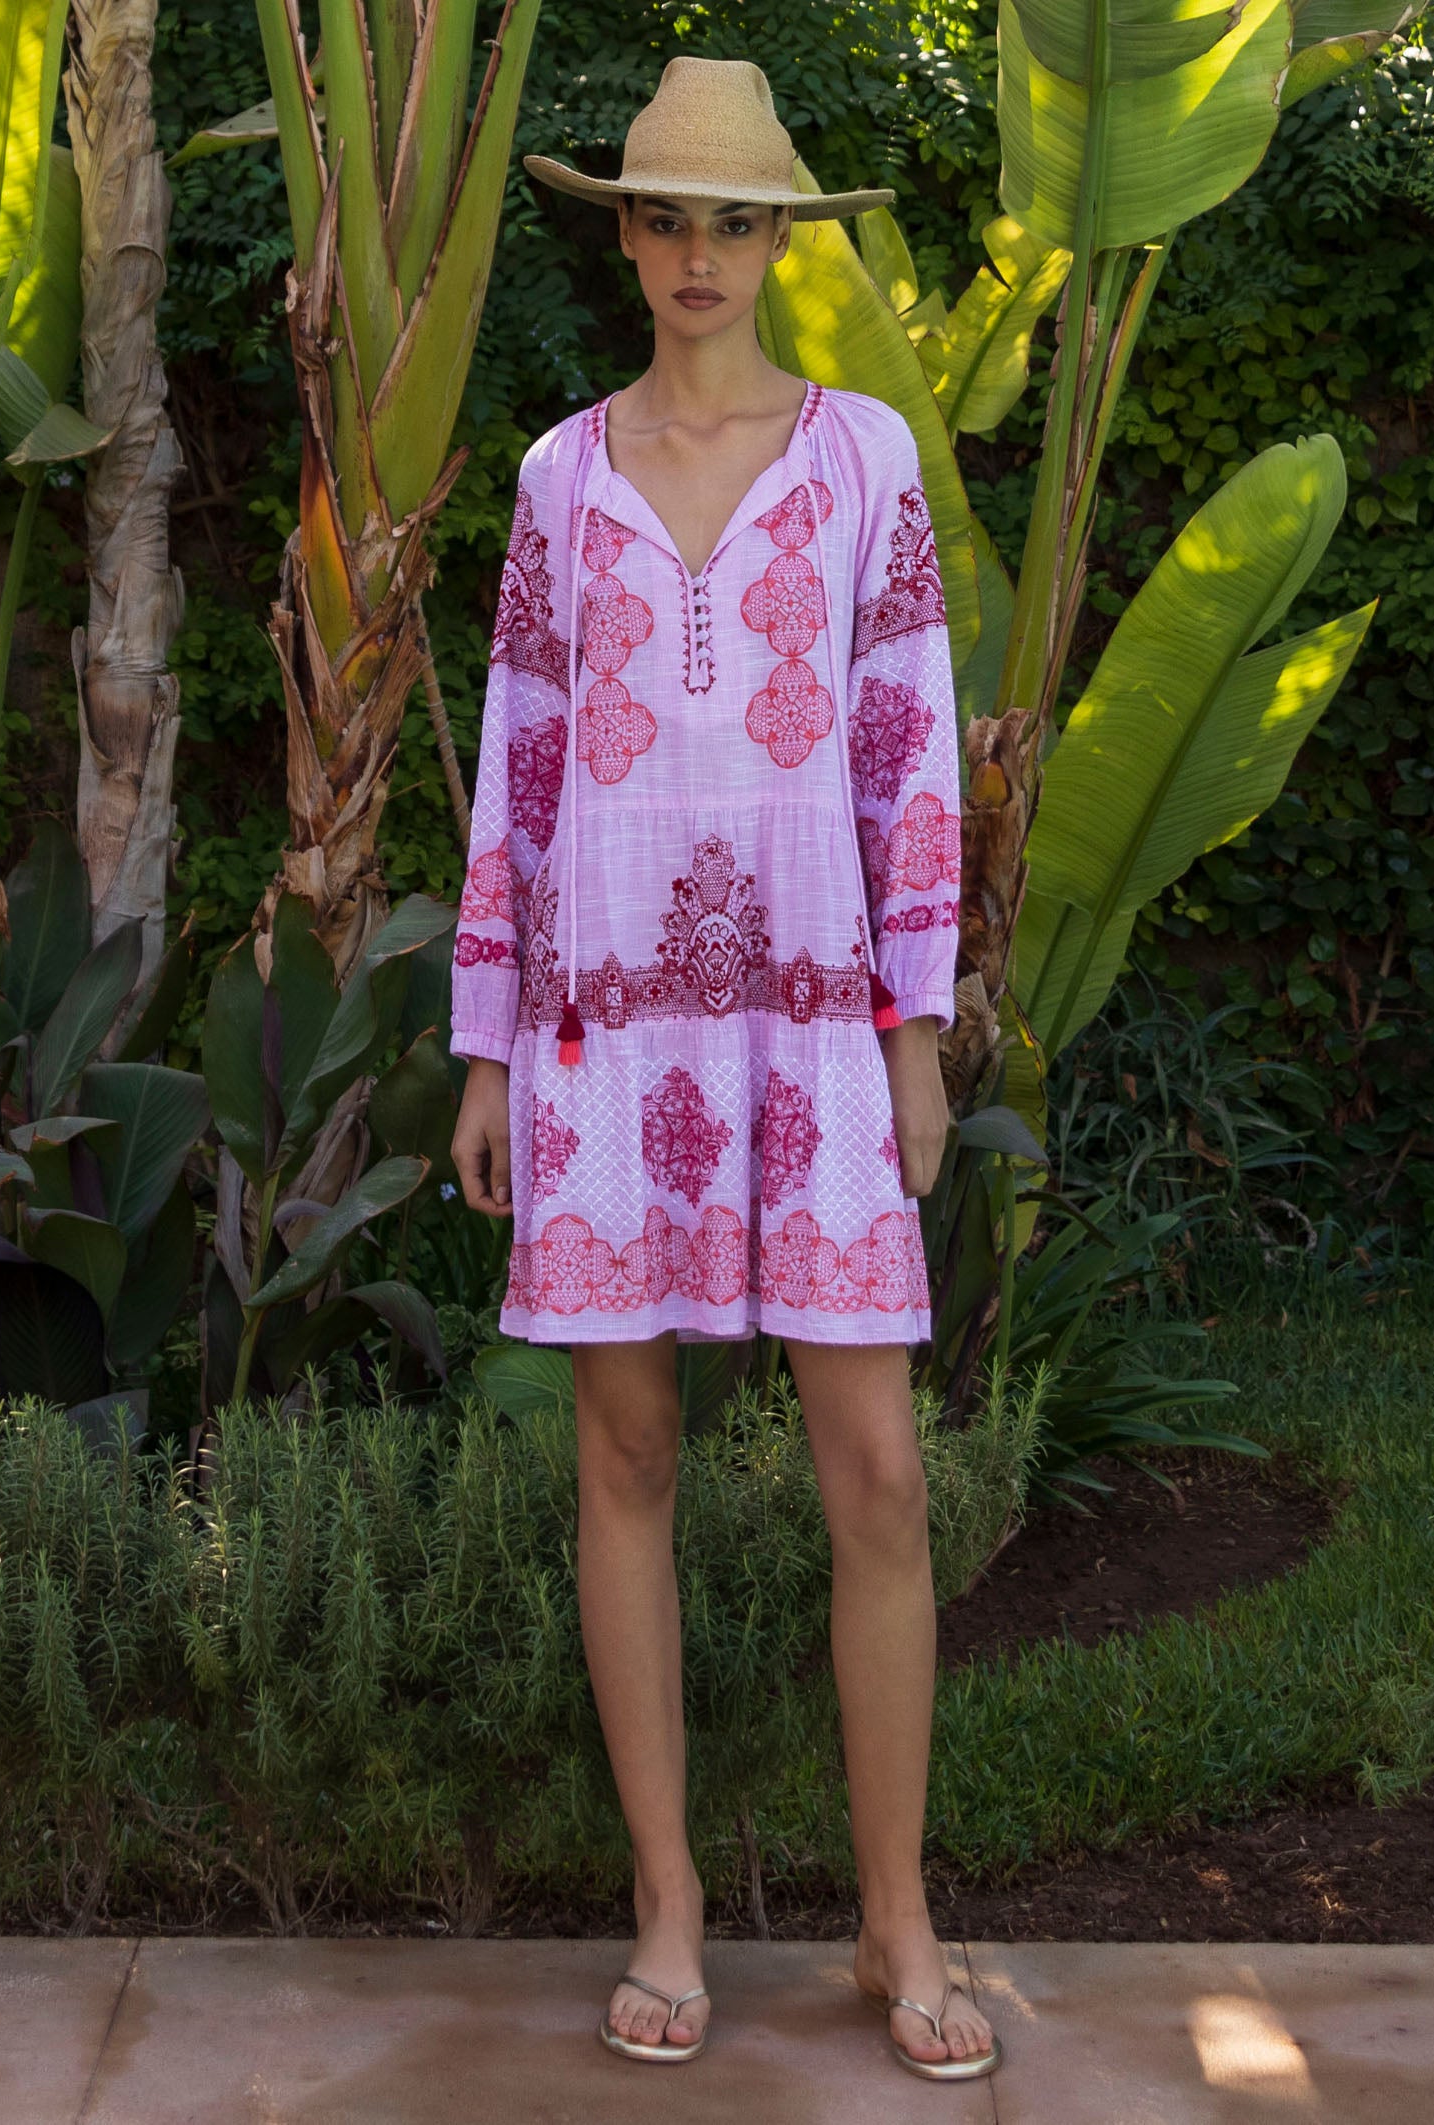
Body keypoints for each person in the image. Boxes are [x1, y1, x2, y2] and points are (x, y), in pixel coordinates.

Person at [448, 54, 998, 2084]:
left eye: (732, 221)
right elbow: (513, 770)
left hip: (816, 1024)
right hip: (602, 1027)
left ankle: (892, 1915)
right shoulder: (548, 481)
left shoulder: (858, 461)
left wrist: (914, 1033)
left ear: (781, 243)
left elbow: (908, 756)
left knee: (873, 1471)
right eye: (664, 217)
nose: (695, 254)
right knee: (625, 1456)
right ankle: (664, 1900)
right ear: (620, 235)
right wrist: (487, 1046)